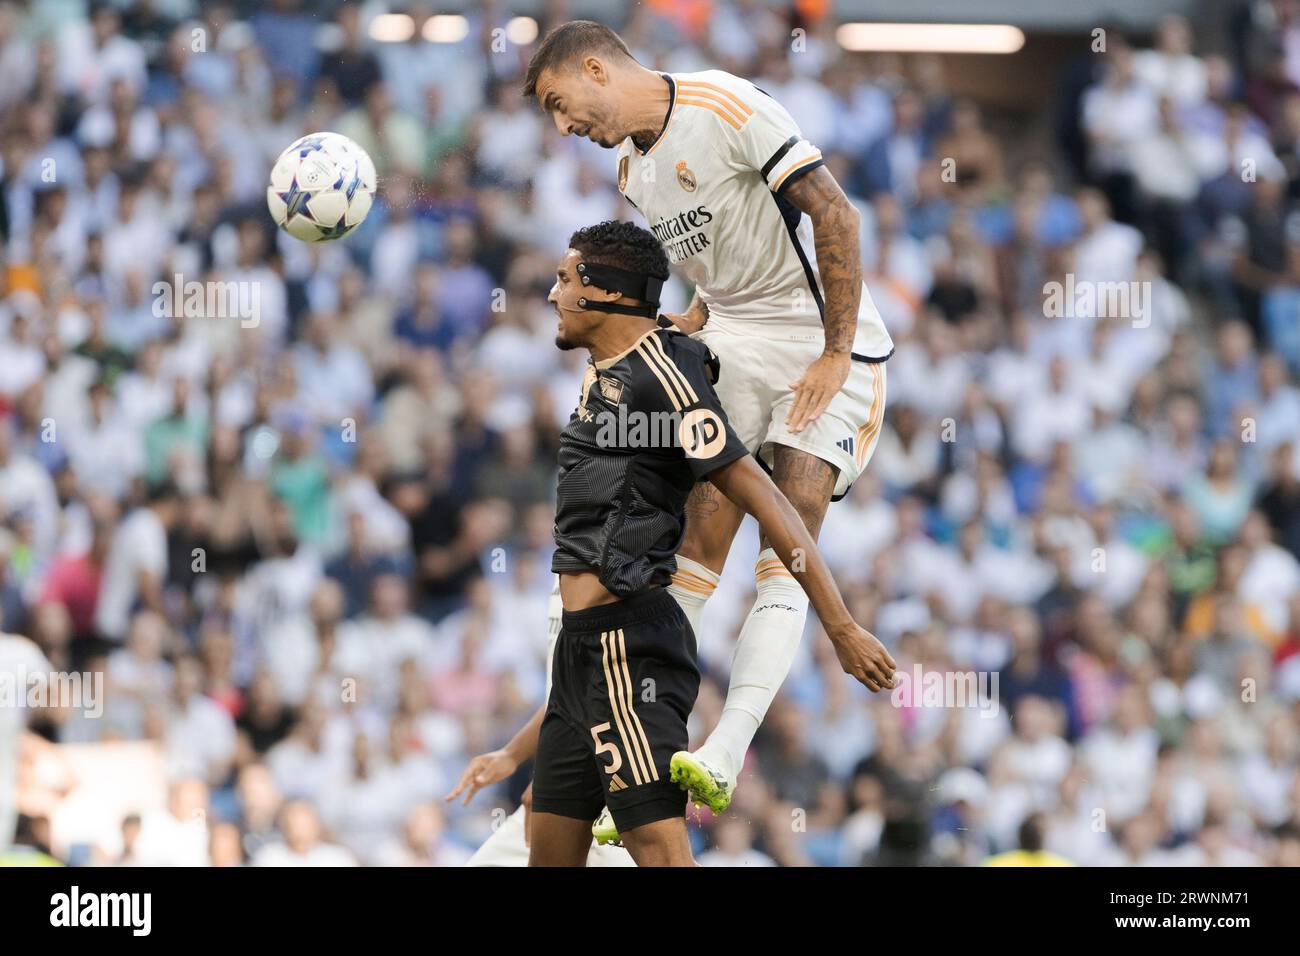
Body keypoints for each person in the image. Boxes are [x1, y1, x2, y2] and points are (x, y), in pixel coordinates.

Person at [524, 20, 894, 817]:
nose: (565, 128)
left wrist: (833, 351)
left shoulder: (724, 104)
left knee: (785, 546)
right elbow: (719, 256)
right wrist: (697, 314)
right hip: (732, 338)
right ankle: (642, 753)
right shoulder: (630, 169)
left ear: (595, 67)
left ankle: (725, 751)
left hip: (821, 338)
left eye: (562, 104)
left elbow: (837, 217)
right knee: (693, 545)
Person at [509, 220, 894, 866]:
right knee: (544, 850)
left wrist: (842, 626)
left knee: (657, 851)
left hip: (626, 643)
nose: (551, 294)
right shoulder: (614, 368)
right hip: (583, 650)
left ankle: (724, 748)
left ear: (604, 294)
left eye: (564, 280)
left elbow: (764, 497)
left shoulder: (670, 374)